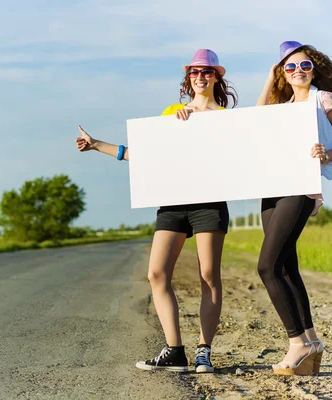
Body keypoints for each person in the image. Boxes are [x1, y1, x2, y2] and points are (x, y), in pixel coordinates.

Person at [76, 49, 238, 373]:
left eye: (206, 72)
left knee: (209, 276)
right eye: (194, 72)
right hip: (173, 201)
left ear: (216, 77)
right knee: (156, 273)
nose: (200, 77)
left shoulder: (227, 119)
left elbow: (245, 158)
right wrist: (97, 145)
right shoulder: (173, 113)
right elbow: (147, 154)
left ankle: (204, 351)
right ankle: (175, 351)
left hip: (209, 201)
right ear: (188, 78)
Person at [256, 41, 332, 375]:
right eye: (290, 67)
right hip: (271, 189)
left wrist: (328, 154)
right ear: (282, 74)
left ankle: (297, 343)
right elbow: (255, 123)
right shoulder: (281, 106)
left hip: (300, 188)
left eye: (304, 66)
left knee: (268, 267)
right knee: (286, 265)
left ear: (314, 70)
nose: (298, 72)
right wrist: (271, 79)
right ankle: (312, 341)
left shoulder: (323, 99)